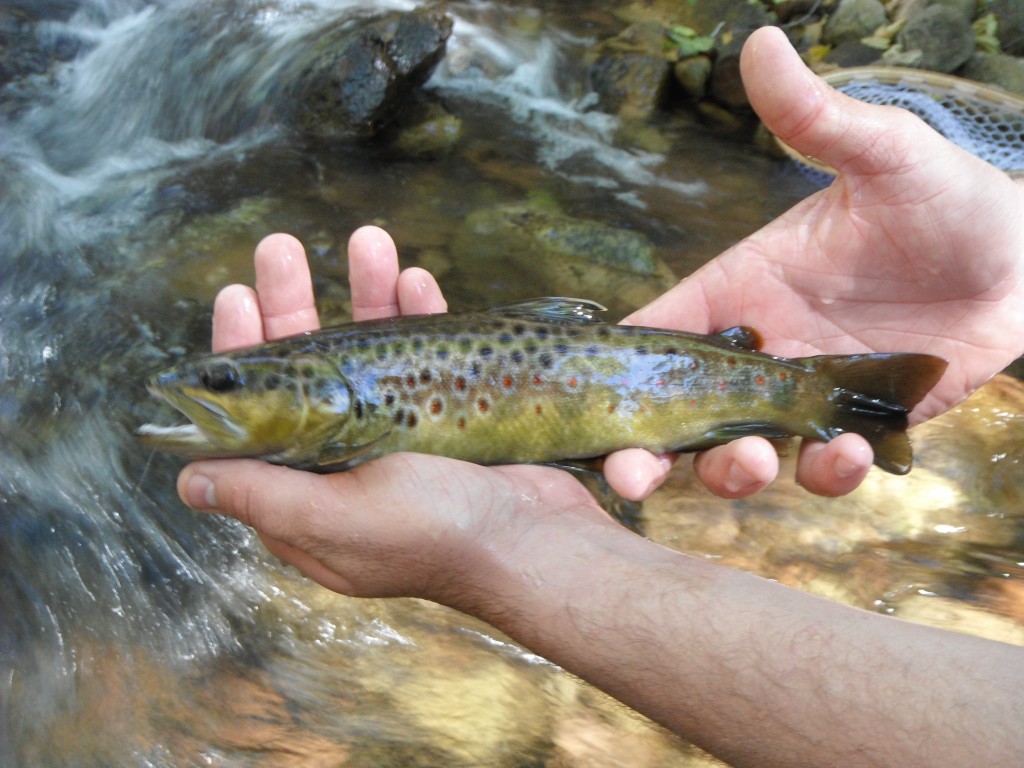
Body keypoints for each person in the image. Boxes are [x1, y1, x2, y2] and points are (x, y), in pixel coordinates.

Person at [176, 26, 1024, 767]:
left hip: (646, 380)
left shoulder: (345, 407)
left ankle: (835, 400)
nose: (205, 390)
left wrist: (494, 557)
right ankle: (833, 400)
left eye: (223, 383)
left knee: (773, 413)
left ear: (323, 393)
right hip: (631, 379)